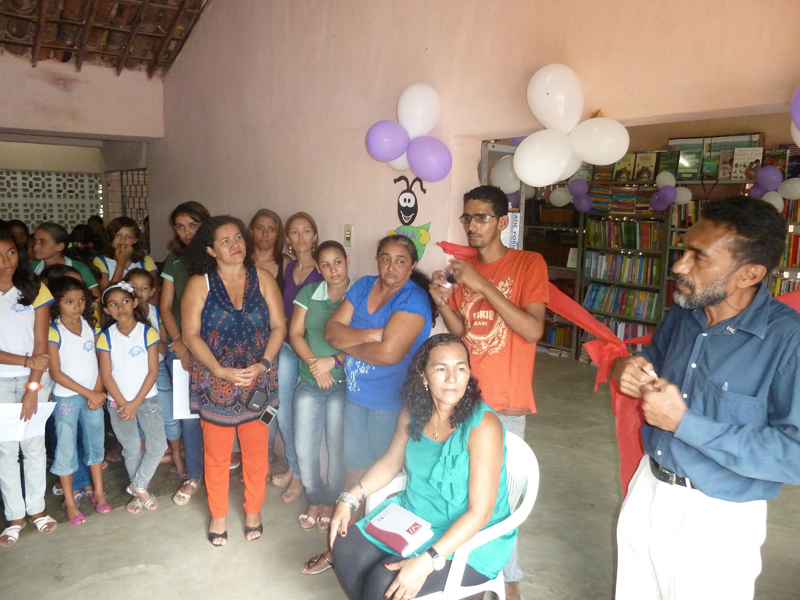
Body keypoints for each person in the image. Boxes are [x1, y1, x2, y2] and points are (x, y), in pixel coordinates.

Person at [610, 196, 800, 600]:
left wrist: (684, 423)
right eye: (684, 251)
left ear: (750, 274)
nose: (679, 266)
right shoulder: (685, 311)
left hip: (718, 516)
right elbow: (655, 358)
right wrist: (628, 367)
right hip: (649, 486)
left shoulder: (789, 342)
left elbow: (794, 453)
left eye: (699, 258)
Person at [429, 184, 548, 599]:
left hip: (505, 405)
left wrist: (482, 285)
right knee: (469, 494)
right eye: (467, 217)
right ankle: (474, 576)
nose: (472, 226)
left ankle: (506, 583)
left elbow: (532, 329)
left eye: (481, 217)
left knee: (502, 506)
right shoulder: (464, 271)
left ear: (502, 222)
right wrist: (441, 301)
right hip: (467, 403)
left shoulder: (529, 263)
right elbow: (465, 332)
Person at [330, 334, 514, 600]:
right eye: (441, 369)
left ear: (469, 374)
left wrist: (429, 560)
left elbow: (480, 514)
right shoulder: (414, 411)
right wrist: (349, 498)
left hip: (472, 538)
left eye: (460, 368)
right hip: (415, 516)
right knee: (346, 548)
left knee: (384, 582)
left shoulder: (483, 426)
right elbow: (391, 462)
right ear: (424, 376)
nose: (452, 378)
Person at [302, 235, 434, 576]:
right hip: (356, 397)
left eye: (401, 260)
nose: (392, 267)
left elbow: (390, 354)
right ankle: (341, 548)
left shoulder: (414, 300)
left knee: (385, 484)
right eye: (385, 258)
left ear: (413, 264)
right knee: (354, 472)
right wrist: (376, 335)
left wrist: (350, 348)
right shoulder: (363, 286)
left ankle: (375, 554)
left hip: (391, 404)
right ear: (377, 260)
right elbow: (331, 331)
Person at [182, 215, 285, 546]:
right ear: (210, 249)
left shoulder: (264, 278)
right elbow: (190, 334)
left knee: (256, 453)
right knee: (217, 454)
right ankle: (218, 514)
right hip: (216, 383)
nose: (235, 244)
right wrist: (219, 370)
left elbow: (279, 326)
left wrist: (265, 363)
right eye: (225, 241)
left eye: (238, 237)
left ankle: (253, 510)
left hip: (259, 380)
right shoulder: (200, 284)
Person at [0, 228, 57, 547]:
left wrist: (33, 387)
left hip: (34, 379)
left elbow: (41, 342)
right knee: (5, 450)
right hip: (3, 380)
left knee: (34, 447)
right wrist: (27, 363)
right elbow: (31, 356)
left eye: (10, 253)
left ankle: (37, 510)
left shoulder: (35, 289)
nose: (6, 261)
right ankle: (14, 516)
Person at [289, 241, 351, 533]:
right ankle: (314, 498)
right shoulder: (308, 293)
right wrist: (316, 364)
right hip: (310, 381)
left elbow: (366, 339)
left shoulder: (360, 293)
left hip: (343, 385)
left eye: (337, 262)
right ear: (318, 268)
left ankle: (330, 500)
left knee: (337, 449)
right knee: (305, 448)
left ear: (347, 260)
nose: (332, 270)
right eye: (325, 265)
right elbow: (295, 333)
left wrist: (333, 362)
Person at [96, 281, 166, 514]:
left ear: (135, 302)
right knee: (132, 449)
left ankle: (138, 485)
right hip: (117, 403)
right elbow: (106, 374)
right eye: (113, 304)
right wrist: (124, 404)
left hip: (147, 400)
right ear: (106, 310)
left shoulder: (148, 332)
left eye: (125, 301)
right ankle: (139, 494)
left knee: (158, 445)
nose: (120, 307)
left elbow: (153, 371)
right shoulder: (106, 337)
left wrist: (135, 403)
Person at [46, 276, 111, 524]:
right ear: (57, 304)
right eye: (69, 302)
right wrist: (90, 393)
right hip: (68, 399)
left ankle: (98, 492)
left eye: (82, 300)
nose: (78, 306)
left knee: (95, 444)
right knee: (65, 447)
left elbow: (99, 360)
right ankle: (70, 502)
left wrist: (98, 389)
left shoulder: (90, 326)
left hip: (93, 395)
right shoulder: (53, 331)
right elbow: (56, 373)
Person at [159, 201, 210, 506]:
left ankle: (217, 467)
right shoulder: (174, 261)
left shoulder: (216, 256)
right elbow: (165, 306)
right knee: (190, 416)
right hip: (181, 348)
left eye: (193, 225)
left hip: (215, 348)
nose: (187, 232)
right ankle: (195, 473)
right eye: (180, 226)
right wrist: (178, 342)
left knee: (219, 413)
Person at [274, 212, 323, 504]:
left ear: (315, 235)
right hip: (287, 347)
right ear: (288, 238)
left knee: (307, 417)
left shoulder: (324, 267)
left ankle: (301, 477)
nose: (301, 237)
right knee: (283, 412)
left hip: (313, 350)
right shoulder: (289, 267)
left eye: (307, 231)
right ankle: (295, 468)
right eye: (294, 232)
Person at [125, 269, 185, 477]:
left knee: (169, 416)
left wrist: (144, 346)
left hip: (157, 370)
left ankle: (176, 456)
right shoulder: (122, 316)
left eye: (145, 288)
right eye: (133, 288)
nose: (139, 292)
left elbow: (163, 345)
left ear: (152, 291)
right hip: (133, 375)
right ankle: (145, 465)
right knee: (140, 419)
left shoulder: (156, 312)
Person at [31, 222, 100, 299]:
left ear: (60, 246)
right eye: (35, 241)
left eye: (42, 242)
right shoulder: (31, 268)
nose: (35, 247)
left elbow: (96, 300)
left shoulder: (79, 268)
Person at [93, 216, 157, 293]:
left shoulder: (146, 260)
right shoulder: (101, 260)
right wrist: (121, 263)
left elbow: (154, 295)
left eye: (129, 237)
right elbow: (107, 294)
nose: (123, 240)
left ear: (135, 240)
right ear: (110, 237)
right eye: (118, 235)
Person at [250, 208, 291, 294]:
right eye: (259, 228)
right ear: (251, 232)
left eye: (271, 229)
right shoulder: (240, 261)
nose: (265, 234)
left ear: (277, 235)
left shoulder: (285, 263)